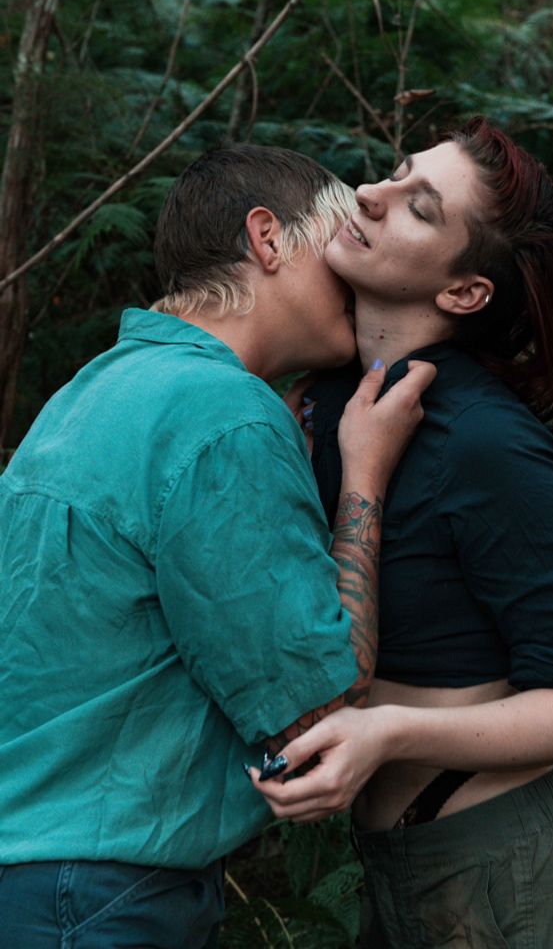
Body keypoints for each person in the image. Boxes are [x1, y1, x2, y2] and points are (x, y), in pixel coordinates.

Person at [0, 144, 435, 948]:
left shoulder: (90, 391)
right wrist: (363, 477)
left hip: (36, 873)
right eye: (341, 246)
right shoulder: (220, 413)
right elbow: (318, 714)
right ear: (268, 239)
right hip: (100, 894)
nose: (357, 275)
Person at [250, 118, 553, 947]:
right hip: (398, 869)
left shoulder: (486, 443)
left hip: (512, 873)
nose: (369, 194)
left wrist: (389, 732)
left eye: (419, 206)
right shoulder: (318, 401)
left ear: (463, 292)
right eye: (395, 171)